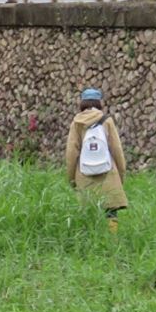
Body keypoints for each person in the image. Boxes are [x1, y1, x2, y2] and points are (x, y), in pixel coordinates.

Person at [65, 87, 128, 232]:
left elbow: (71, 153)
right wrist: (121, 174)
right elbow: (117, 149)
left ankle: (90, 238)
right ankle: (112, 238)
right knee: (111, 210)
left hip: (83, 175)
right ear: (99, 103)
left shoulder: (76, 123)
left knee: (87, 211)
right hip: (108, 174)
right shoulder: (107, 121)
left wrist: (71, 178)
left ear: (82, 103)